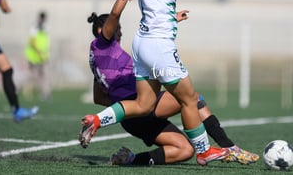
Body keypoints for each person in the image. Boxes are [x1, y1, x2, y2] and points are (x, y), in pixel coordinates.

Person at [79, 0, 229, 166]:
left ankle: (98, 123)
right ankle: (208, 150)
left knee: (147, 107)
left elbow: (100, 97)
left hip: (142, 54)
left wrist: (172, 19)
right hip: (157, 46)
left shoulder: (96, 56)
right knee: (189, 98)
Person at [86, 10, 259, 166]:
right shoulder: (106, 50)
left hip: (132, 120)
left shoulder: (102, 62)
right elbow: (131, 23)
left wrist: (123, 108)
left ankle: (130, 159)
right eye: (117, 29)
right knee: (193, 98)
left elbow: (98, 98)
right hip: (141, 107)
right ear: (102, 31)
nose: (120, 32)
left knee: (185, 150)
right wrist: (132, 103)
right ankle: (228, 146)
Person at [24, 11, 51, 101]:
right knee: (32, 76)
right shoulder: (34, 27)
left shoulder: (45, 28)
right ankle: (25, 91)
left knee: (45, 75)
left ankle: (45, 93)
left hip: (43, 56)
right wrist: (39, 52)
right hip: (34, 56)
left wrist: (43, 53)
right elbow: (32, 41)